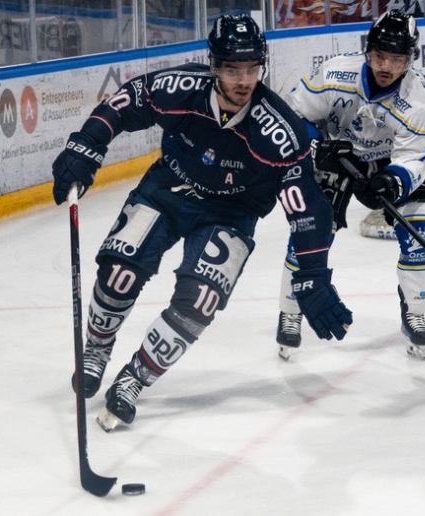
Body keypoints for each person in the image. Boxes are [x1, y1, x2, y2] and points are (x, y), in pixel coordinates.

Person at [50, 14, 353, 431]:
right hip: (169, 187)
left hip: (232, 211)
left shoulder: (279, 131)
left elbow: (307, 208)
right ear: (214, 66)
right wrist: (87, 143)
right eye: (232, 69)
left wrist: (313, 273)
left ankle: (134, 379)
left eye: (251, 68)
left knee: (201, 299)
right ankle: (97, 349)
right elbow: (128, 99)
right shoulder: (183, 88)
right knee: (119, 271)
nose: (243, 80)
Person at [274, 10, 425, 361]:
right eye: (379, 55)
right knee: (310, 231)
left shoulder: (419, 102)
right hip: (336, 156)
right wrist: (317, 147)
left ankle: (415, 313)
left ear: (410, 59)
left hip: (389, 162)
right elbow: (292, 115)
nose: (386, 66)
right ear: (368, 50)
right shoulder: (335, 73)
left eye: (396, 59)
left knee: (421, 225)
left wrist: (392, 181)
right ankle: (290, 312)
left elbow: (415, 157)